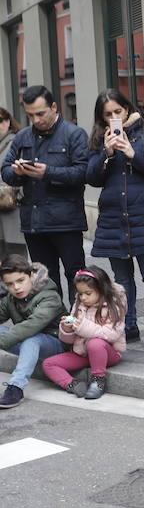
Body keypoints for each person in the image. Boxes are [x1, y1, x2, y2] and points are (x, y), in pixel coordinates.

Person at [86, 89, 144, 350]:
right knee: (121, 278)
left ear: (127, 109)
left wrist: (133, 154)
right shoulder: (99, 140)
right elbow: (92, 178)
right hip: (113, 217)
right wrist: (107, 154)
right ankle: (128, 324)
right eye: (107, 114)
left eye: (117, 112)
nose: (113, 118)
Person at [0, 85, 88, 304]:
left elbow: (82, 173)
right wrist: (17, 172)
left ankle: (79, 323)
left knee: (75, 276)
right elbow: (5, 171)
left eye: (41, 113)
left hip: (66, 220)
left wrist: (48, 172)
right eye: (30, 115)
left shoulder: (74, 134)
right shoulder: (22, 137)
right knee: (44, 279)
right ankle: (53, 326)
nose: (36, 120)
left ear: (54, 107)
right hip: (34, 222)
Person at [42, 266, 126, 400]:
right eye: (80, 294)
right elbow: (68, 340)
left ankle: (98, 380)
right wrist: (67, 329)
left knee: (95, 343)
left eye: (88, 293)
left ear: (101, 290)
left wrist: (82, 327)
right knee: (48, 364)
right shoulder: (79, 304)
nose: (83, 298)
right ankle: (73, 385)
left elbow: (112, 334)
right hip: (82, 352)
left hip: (108, 353)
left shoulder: (113, 305)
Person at [0, 255, 67, 408]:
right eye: (10, 284)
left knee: (32, 338)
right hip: (28, 342)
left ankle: (15, 388)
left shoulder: (50, 296)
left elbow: (31, 326)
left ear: (31, 275)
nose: (16, 287)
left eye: (20, 281)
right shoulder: (11, 298)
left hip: (57, 344)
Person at [0, 106, 27, 258]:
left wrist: (15, 193)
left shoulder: (16, 142)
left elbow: (26, 175)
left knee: (16, 263)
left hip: (12, 211)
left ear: (8, 121)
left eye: (0, 120)